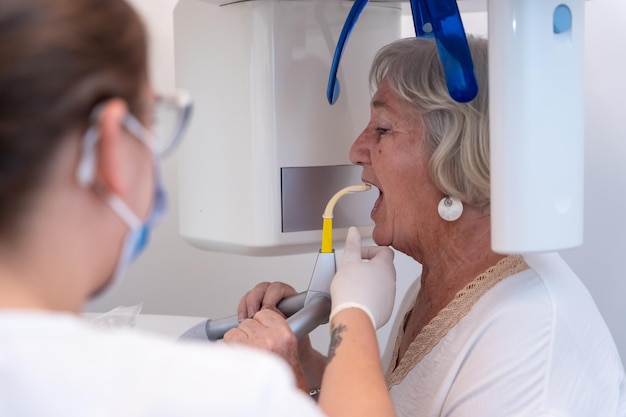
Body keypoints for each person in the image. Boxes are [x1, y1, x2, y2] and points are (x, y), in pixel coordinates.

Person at [0, 1, 397, 416]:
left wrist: (307, 363)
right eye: (155, 121)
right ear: (110, 150)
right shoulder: (225, 393)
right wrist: (354, 321)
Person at [232, 36, 626, 416]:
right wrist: (298, 360)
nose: (356, 149)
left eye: (383, 130)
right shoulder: (442, 284)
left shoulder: (527, 332)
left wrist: (351, 319)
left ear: (456, 156)